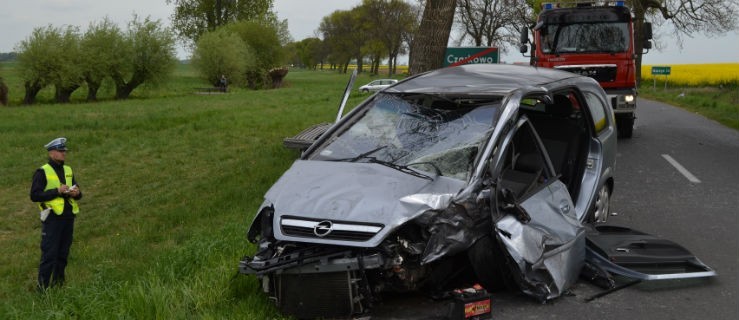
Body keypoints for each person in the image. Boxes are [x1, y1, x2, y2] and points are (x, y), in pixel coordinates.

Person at [30, 137, 82, 291]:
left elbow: (79, 193)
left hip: (68, 216)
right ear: (52, 153)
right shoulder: (42, 171)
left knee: (63, 254)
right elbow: (35, 195)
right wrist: (57, 191)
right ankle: (43, 290)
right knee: (49, 255)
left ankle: (59, 285)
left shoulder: (68, 170)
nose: (64, 154)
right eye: (60, 151)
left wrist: (76, 193)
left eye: (64, 151)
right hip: (52, 218)